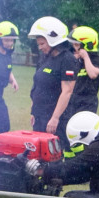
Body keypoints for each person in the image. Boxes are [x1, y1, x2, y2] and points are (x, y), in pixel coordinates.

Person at [28, 16, 78, 151]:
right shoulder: (45, 58)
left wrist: (55, 118)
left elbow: (67, 91)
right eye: (38, 44)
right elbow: (38, 86)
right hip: (40, 115)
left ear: (53, 40)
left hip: (55, 119)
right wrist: (34, 111)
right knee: (37, 153)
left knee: (53, 156)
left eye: (42, 44)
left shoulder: (67, 59)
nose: (40, 47)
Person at [67, 25, 99, 123]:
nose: (74, 47)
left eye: (77, 45)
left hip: (87, 101)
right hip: (73, 99)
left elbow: (93, 74)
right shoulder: (74, 58)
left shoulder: (96, 59)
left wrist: (86, 57)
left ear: (87, 45)